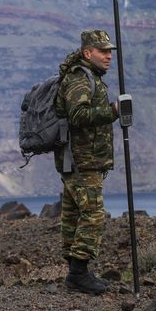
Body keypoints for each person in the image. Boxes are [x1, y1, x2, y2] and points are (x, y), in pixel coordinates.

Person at [54, 29, 119, 294]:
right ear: (87, 52)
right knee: (92, 214)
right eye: (102, 51)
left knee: (73, 215)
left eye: (109, 52)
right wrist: (113, 112)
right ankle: (78, 274)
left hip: (77, 161)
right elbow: (77, 115)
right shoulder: (81, 79)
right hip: (82, 161)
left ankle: (75, 274)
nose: (108, 56)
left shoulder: (88, 77)